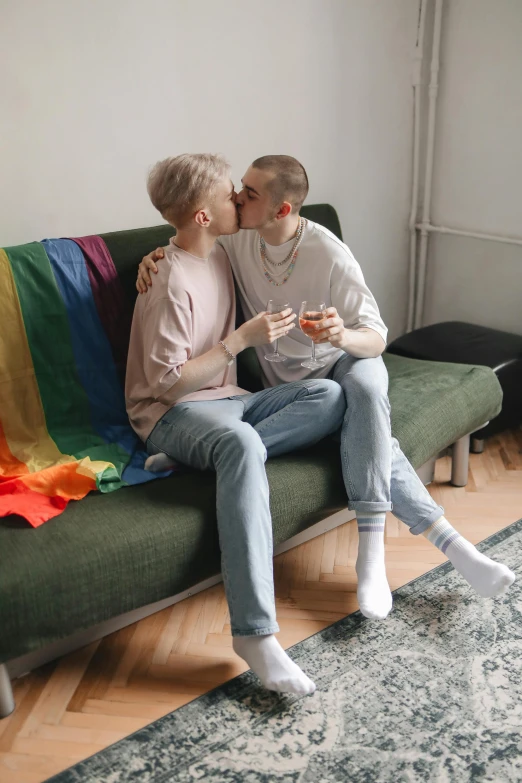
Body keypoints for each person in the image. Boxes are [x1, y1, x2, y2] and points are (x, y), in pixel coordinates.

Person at [137, 154, 515, 620]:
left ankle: (371, 553)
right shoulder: (235, 244)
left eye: (248, 192)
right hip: (296, 397)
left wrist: (339, 335)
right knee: (355, 421)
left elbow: (374, 338)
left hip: (346, 363)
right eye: (237, 189)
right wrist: (153, 256)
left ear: (281, 210)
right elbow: (188, 238)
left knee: (366, 389)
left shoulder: (327, 251)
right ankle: (454, 545)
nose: (236, 196)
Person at [126, 153, 346, 696]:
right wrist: (239, 341)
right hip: (173, 414)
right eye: (230, 195)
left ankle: (199, 460)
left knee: (329, 394)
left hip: (230, 402)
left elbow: (284, 242)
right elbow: (166, 385)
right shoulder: (167, 280)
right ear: (204, 216)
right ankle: (254, 634)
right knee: (241, 443)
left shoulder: (223, 254)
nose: (239, 201)